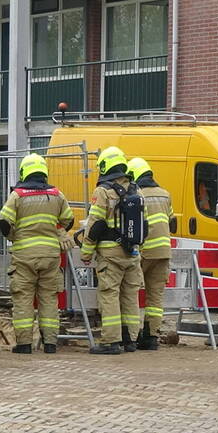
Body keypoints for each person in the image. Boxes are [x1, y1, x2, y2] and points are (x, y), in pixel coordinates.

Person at [0, 153, 75, 355]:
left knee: (23, 298)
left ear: (24, 172)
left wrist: (14, 236)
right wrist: (56, 230)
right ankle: (50, 344)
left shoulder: (18, 195)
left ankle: (24, 344)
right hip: (50, 255)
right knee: (49, 298)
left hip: (24, 255)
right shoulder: (57, 194)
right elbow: (68, 220)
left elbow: (4, 222)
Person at [81, 146, 145, 355]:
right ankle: (130, 339)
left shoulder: (103, 191)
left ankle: (110, 341)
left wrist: (86, 252)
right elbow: (145, 224)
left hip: (110, 254)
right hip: (133, 253)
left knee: (109, 295)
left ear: (105, 167)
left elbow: (95, 223)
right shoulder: (136, 190)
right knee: (130, 296)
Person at [127, 157, 175, 351]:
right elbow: (172, 222)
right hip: (163, 251)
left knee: (130, 293)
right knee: (155, 297)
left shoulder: (136, 195)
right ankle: (151, 337)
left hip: (143, 250)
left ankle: (131, 336)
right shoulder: (165, 194)